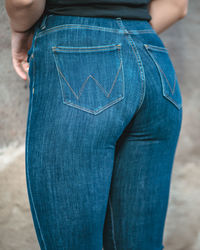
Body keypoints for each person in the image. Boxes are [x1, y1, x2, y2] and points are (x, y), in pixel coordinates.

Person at [5, 0, 188, 249]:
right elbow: (177, 5)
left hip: (76, 51)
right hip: (154, 61)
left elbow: (24, 1)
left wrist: (19, 29)